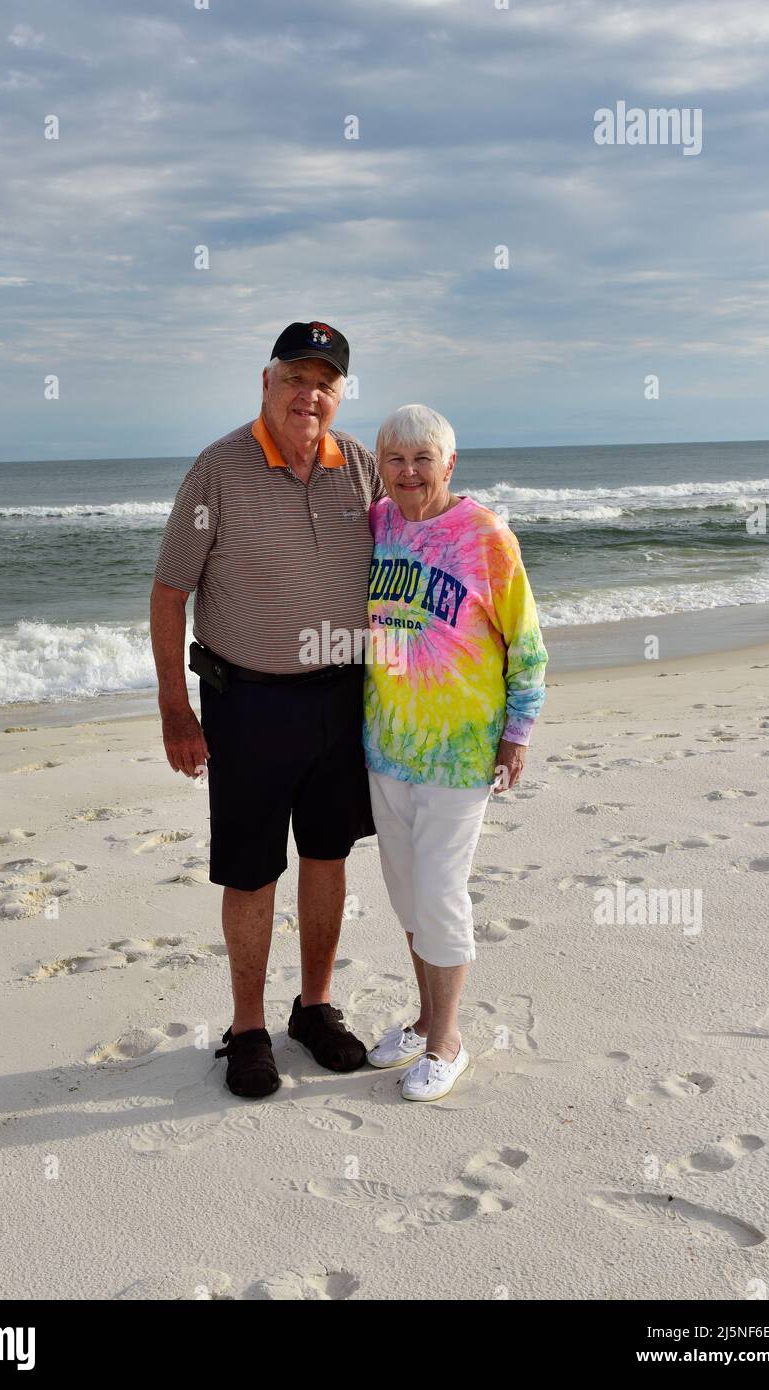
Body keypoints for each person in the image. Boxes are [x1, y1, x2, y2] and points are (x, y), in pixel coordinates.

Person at [150, 321, 382, 1099]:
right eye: (295, 378)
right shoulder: (218, 469)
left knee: (328, 856)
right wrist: (175, 711)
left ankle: (313, 1010)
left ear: (339, 393)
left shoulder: (360, 466)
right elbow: (170, 591)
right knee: (249, 872)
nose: (308, 395)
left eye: (325, 382)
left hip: (341, 699)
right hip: (246, 702)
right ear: (266, 382)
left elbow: (412, 563)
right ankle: (247, 1026)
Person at [362, 404, 548, 1101]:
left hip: (459, 751)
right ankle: (422, 1019)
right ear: (380, 467)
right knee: (407, 897)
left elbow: (525, 645)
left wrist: (517, 733)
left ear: (449, 463)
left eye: (422, 459)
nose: (408, 473)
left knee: (440, 895)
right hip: (385, 745)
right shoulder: (377, 524)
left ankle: (447, 1041)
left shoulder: (484, 535)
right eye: (395, 460)